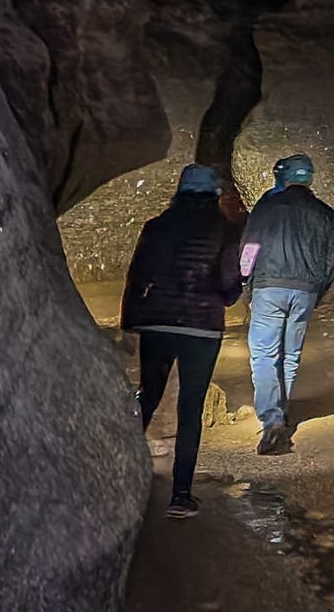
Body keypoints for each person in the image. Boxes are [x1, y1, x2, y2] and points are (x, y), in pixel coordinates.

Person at [121, 164, 242, 519]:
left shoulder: (156, 227)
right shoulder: (224, 230)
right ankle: (181, 495)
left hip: (157, 323)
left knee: (149, 395)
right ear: (214, 195)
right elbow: (227, 284)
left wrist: (132, 321)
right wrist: (235, 289)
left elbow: (136, 276)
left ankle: (121, 475)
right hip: (201, 328)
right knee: (190, 409)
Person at [240, 153, 334, 454]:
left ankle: (272, 418)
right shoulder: (324, 213)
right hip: (305, 290)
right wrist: (316, 290)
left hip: (269, 286)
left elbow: (248, 248)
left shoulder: (267, 208)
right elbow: (332, 258)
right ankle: (280, 411)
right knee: (291, 353)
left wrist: (246, 281)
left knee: (264, 353)